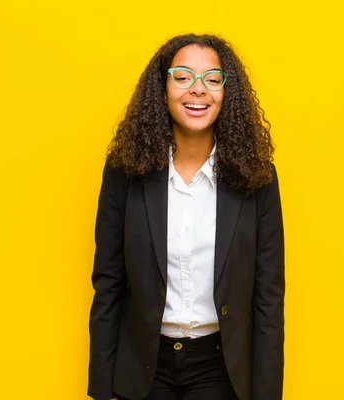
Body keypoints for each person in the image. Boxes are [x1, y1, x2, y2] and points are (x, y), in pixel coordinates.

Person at [87, 34, 285, 400]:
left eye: (212, 79)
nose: (198, 90)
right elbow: (108, 285)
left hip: (221, 368)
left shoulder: (257, 178)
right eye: (182, 77)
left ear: (228, 93)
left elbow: (268, 296)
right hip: (144, 370)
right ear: (162, 87)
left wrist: (267, 393)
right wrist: (102, 389)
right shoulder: (123, 173)